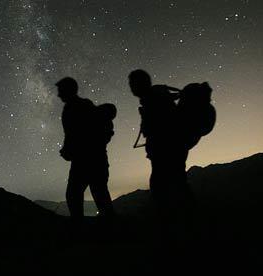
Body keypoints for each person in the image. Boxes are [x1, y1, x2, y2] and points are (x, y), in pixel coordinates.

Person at [128, 69, 189, 210]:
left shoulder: (154, 98)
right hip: (170, 151)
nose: (131, 87)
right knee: (176, 185)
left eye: (132, 83)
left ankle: (180, 224)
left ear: (140, 83)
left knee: (166, 188)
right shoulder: (155, 96)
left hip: (167, 152)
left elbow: (162, 128)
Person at [56, 77, 114, 219]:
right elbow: (72, 136)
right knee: (95, 195)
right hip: (91, 161)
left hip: (87, 161)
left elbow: (78, 135)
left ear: (68, 90)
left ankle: (107, 232)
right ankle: (111, 230)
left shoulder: (79, 107)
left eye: (61, 91)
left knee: (78, 195)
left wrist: (68, 151)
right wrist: (67, 150)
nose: (58, 94)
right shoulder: (78, 107)